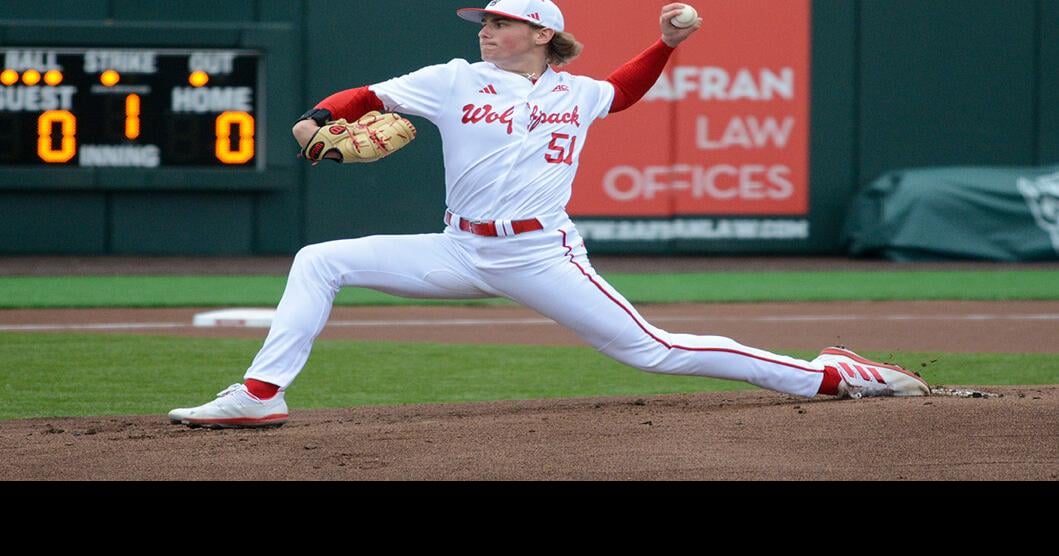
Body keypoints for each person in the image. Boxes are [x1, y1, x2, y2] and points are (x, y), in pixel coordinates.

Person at [169, 0, 929, 429]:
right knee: (320, 259)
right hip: (459, 249)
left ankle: (828, 379)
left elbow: (622, 90)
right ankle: (260, 397)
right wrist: (311, 120)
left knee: (653, 351)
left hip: (541, 257)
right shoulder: (452, 78)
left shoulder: (575, 92)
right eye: (482, 21)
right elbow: (361, 99)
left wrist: (662, 45)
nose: (483, 29)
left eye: (498, 22)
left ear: (539, 34)